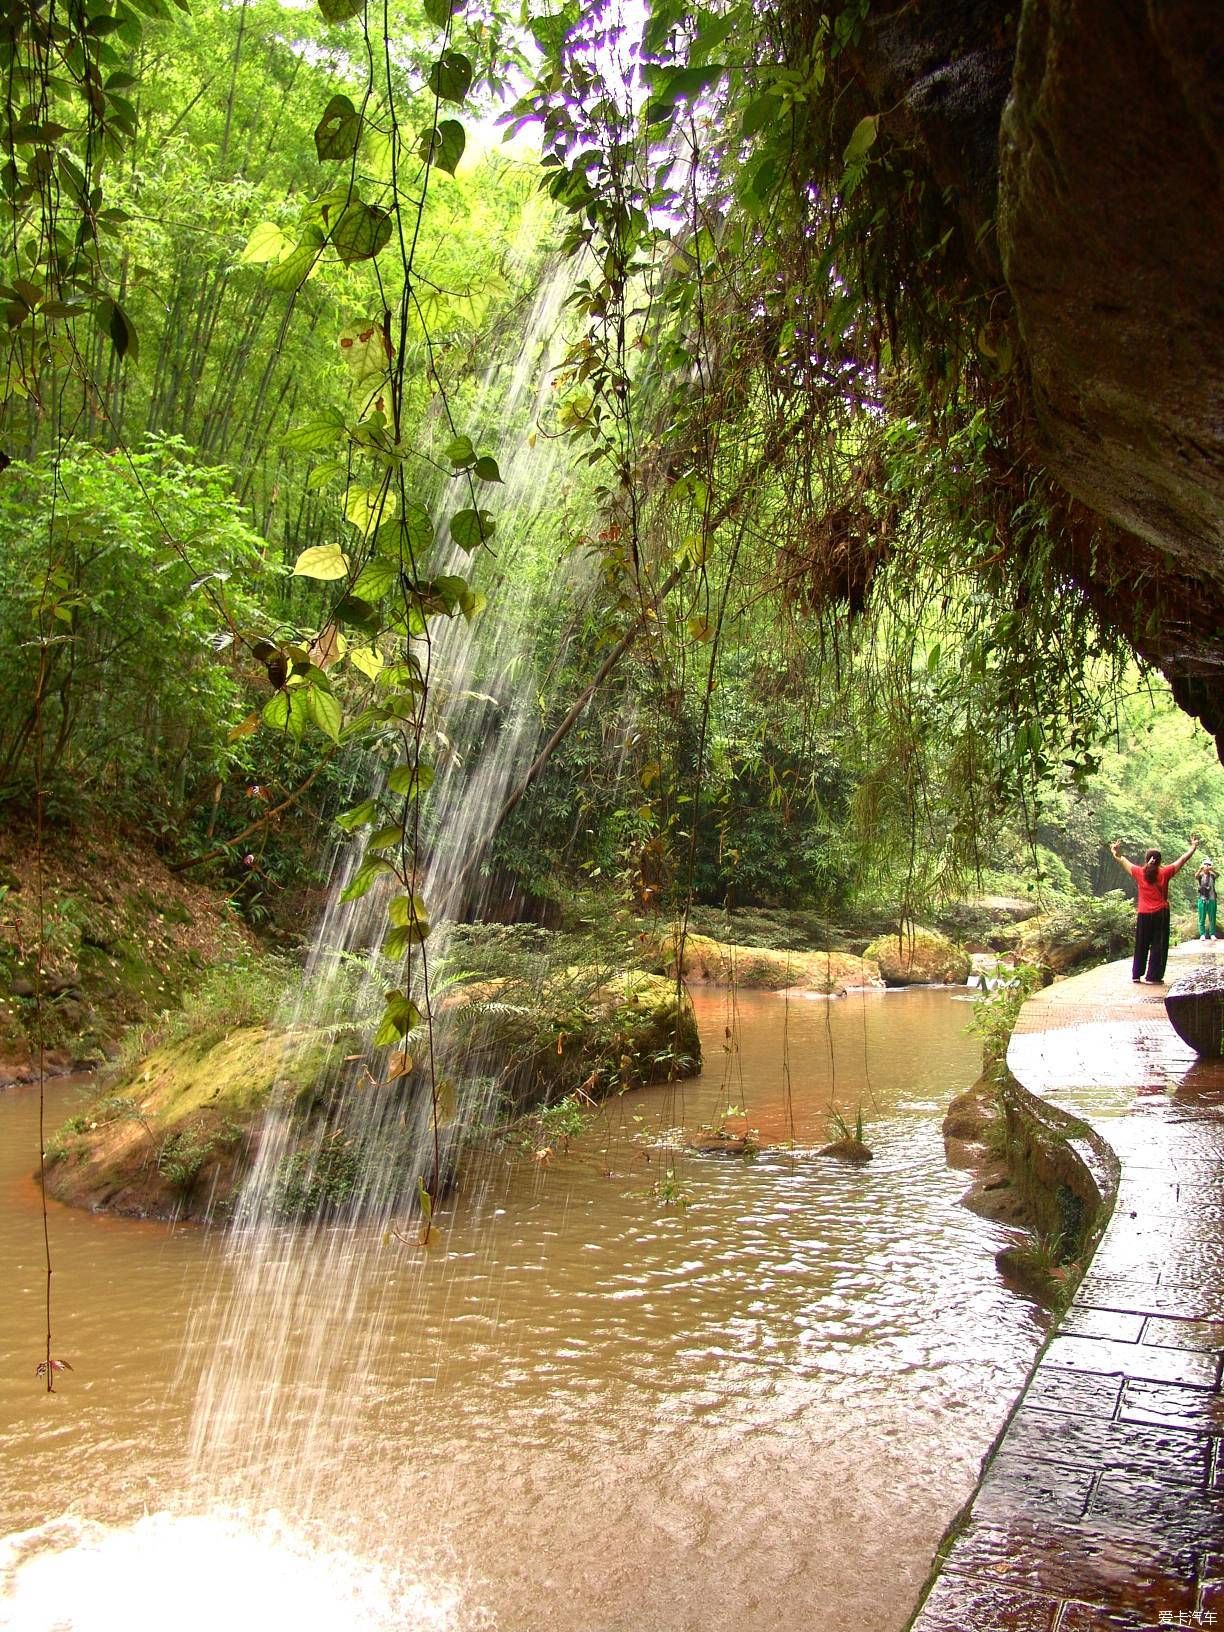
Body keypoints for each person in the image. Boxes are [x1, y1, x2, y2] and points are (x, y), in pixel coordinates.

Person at [1109, 835, 1199, 983]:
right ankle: (1153, 976)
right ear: (1160, 861)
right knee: (1159, 945)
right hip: (1161, 914)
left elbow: (1122, 860)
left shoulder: (1139, 872)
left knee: (1141, 943)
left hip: (1143, 913)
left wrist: (1115, 852)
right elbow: (1182, 860)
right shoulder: (1165, 873)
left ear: (1146, 859)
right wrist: (1193, 847)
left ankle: (1136, 975)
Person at [1195, 857, 1218, 940]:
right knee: (1202, 917)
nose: (1207, 866)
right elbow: (1196, 876)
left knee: (1212, 917)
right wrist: (1200, 869)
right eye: (1205, 865)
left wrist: (1213, 869)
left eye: (1208, 865)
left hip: (1212, 898)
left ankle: (1212, 934)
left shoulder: (1212, 875)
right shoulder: (1201, 875)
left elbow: (1218, 875)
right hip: (1202, 898)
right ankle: (1202, 934)